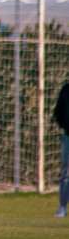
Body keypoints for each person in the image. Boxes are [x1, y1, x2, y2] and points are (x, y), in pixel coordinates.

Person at [54, 82, 69, 218]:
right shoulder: (66, 89)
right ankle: (62, 207)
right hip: (68, 136)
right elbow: (58, 112)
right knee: (66, 174)